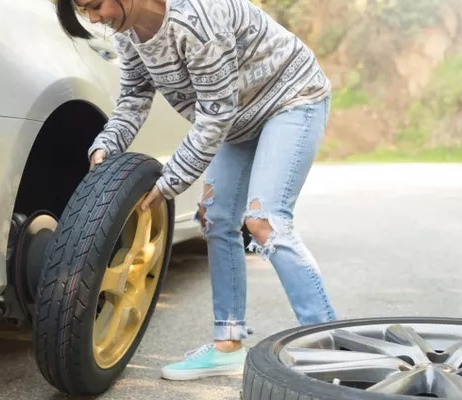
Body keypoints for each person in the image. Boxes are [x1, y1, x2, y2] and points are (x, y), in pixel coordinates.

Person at [57, 0, 338, 381]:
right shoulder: (128, 33)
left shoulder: (196, 19)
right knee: (216, 216)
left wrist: (170, 180)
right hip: (239, 119)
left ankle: (329, 347)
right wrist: (106, 146)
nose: (94, 18)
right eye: (84, 10)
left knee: (264, 221)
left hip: (291, 99)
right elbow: (135, 98)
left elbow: (214, 113)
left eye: (96, 5)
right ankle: (228, 344)